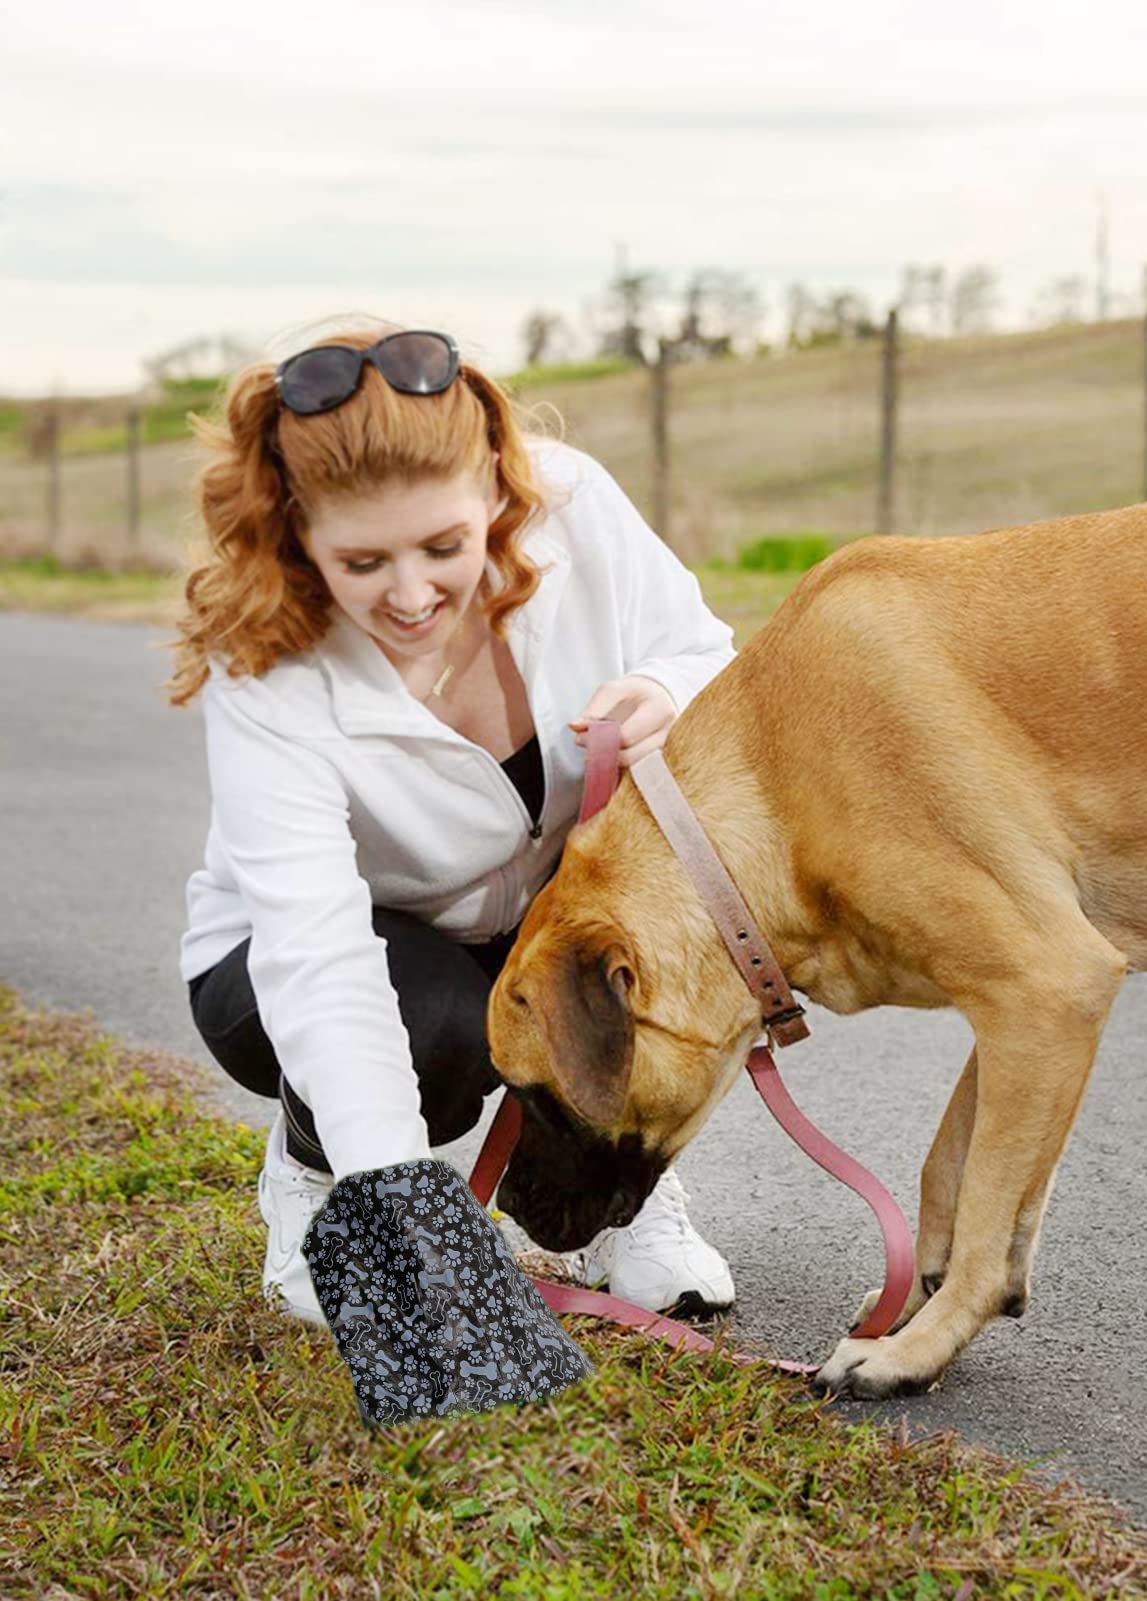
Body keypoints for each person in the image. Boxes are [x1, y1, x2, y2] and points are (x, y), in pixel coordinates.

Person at [166, 323, 738, 1424]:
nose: (413, 592)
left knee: (661, 947)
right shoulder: (264, 670)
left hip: (538, 906)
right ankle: (312, 1177)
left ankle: (612, 1209)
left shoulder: (574, 504)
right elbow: (318, 958)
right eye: (362, 563)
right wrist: (407, 1220)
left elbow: (704, 649)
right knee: (435, 1026)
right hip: (313, 958)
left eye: (443, 545)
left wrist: (667, 693)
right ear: (298, 536)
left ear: (496, 490)